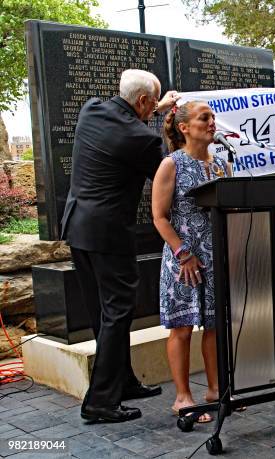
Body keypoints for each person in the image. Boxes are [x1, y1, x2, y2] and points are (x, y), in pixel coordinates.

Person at [61, 69, 179, 423]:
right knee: (117, 314)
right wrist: (165, 122)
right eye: (151, 103)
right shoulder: (140, 139)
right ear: (143, 101)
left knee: (103, 314)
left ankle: (122, 382)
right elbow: (167, 172)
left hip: (78, 228)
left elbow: (131, 112)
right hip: (109, 235)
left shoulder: (91, 109)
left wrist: (156, 108)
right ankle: (99, 401)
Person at [151, 101, 228, 422]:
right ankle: (183, 397)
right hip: (183, 260)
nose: (212, 123)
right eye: (204, 118)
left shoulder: (223, 165)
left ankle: (215, 390)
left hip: (216, 256)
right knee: (182, 328)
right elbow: (159, 216)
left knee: (215, 326)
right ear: (184, 127)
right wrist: (184, 254)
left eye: (212, 118)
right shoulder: (172, 164)